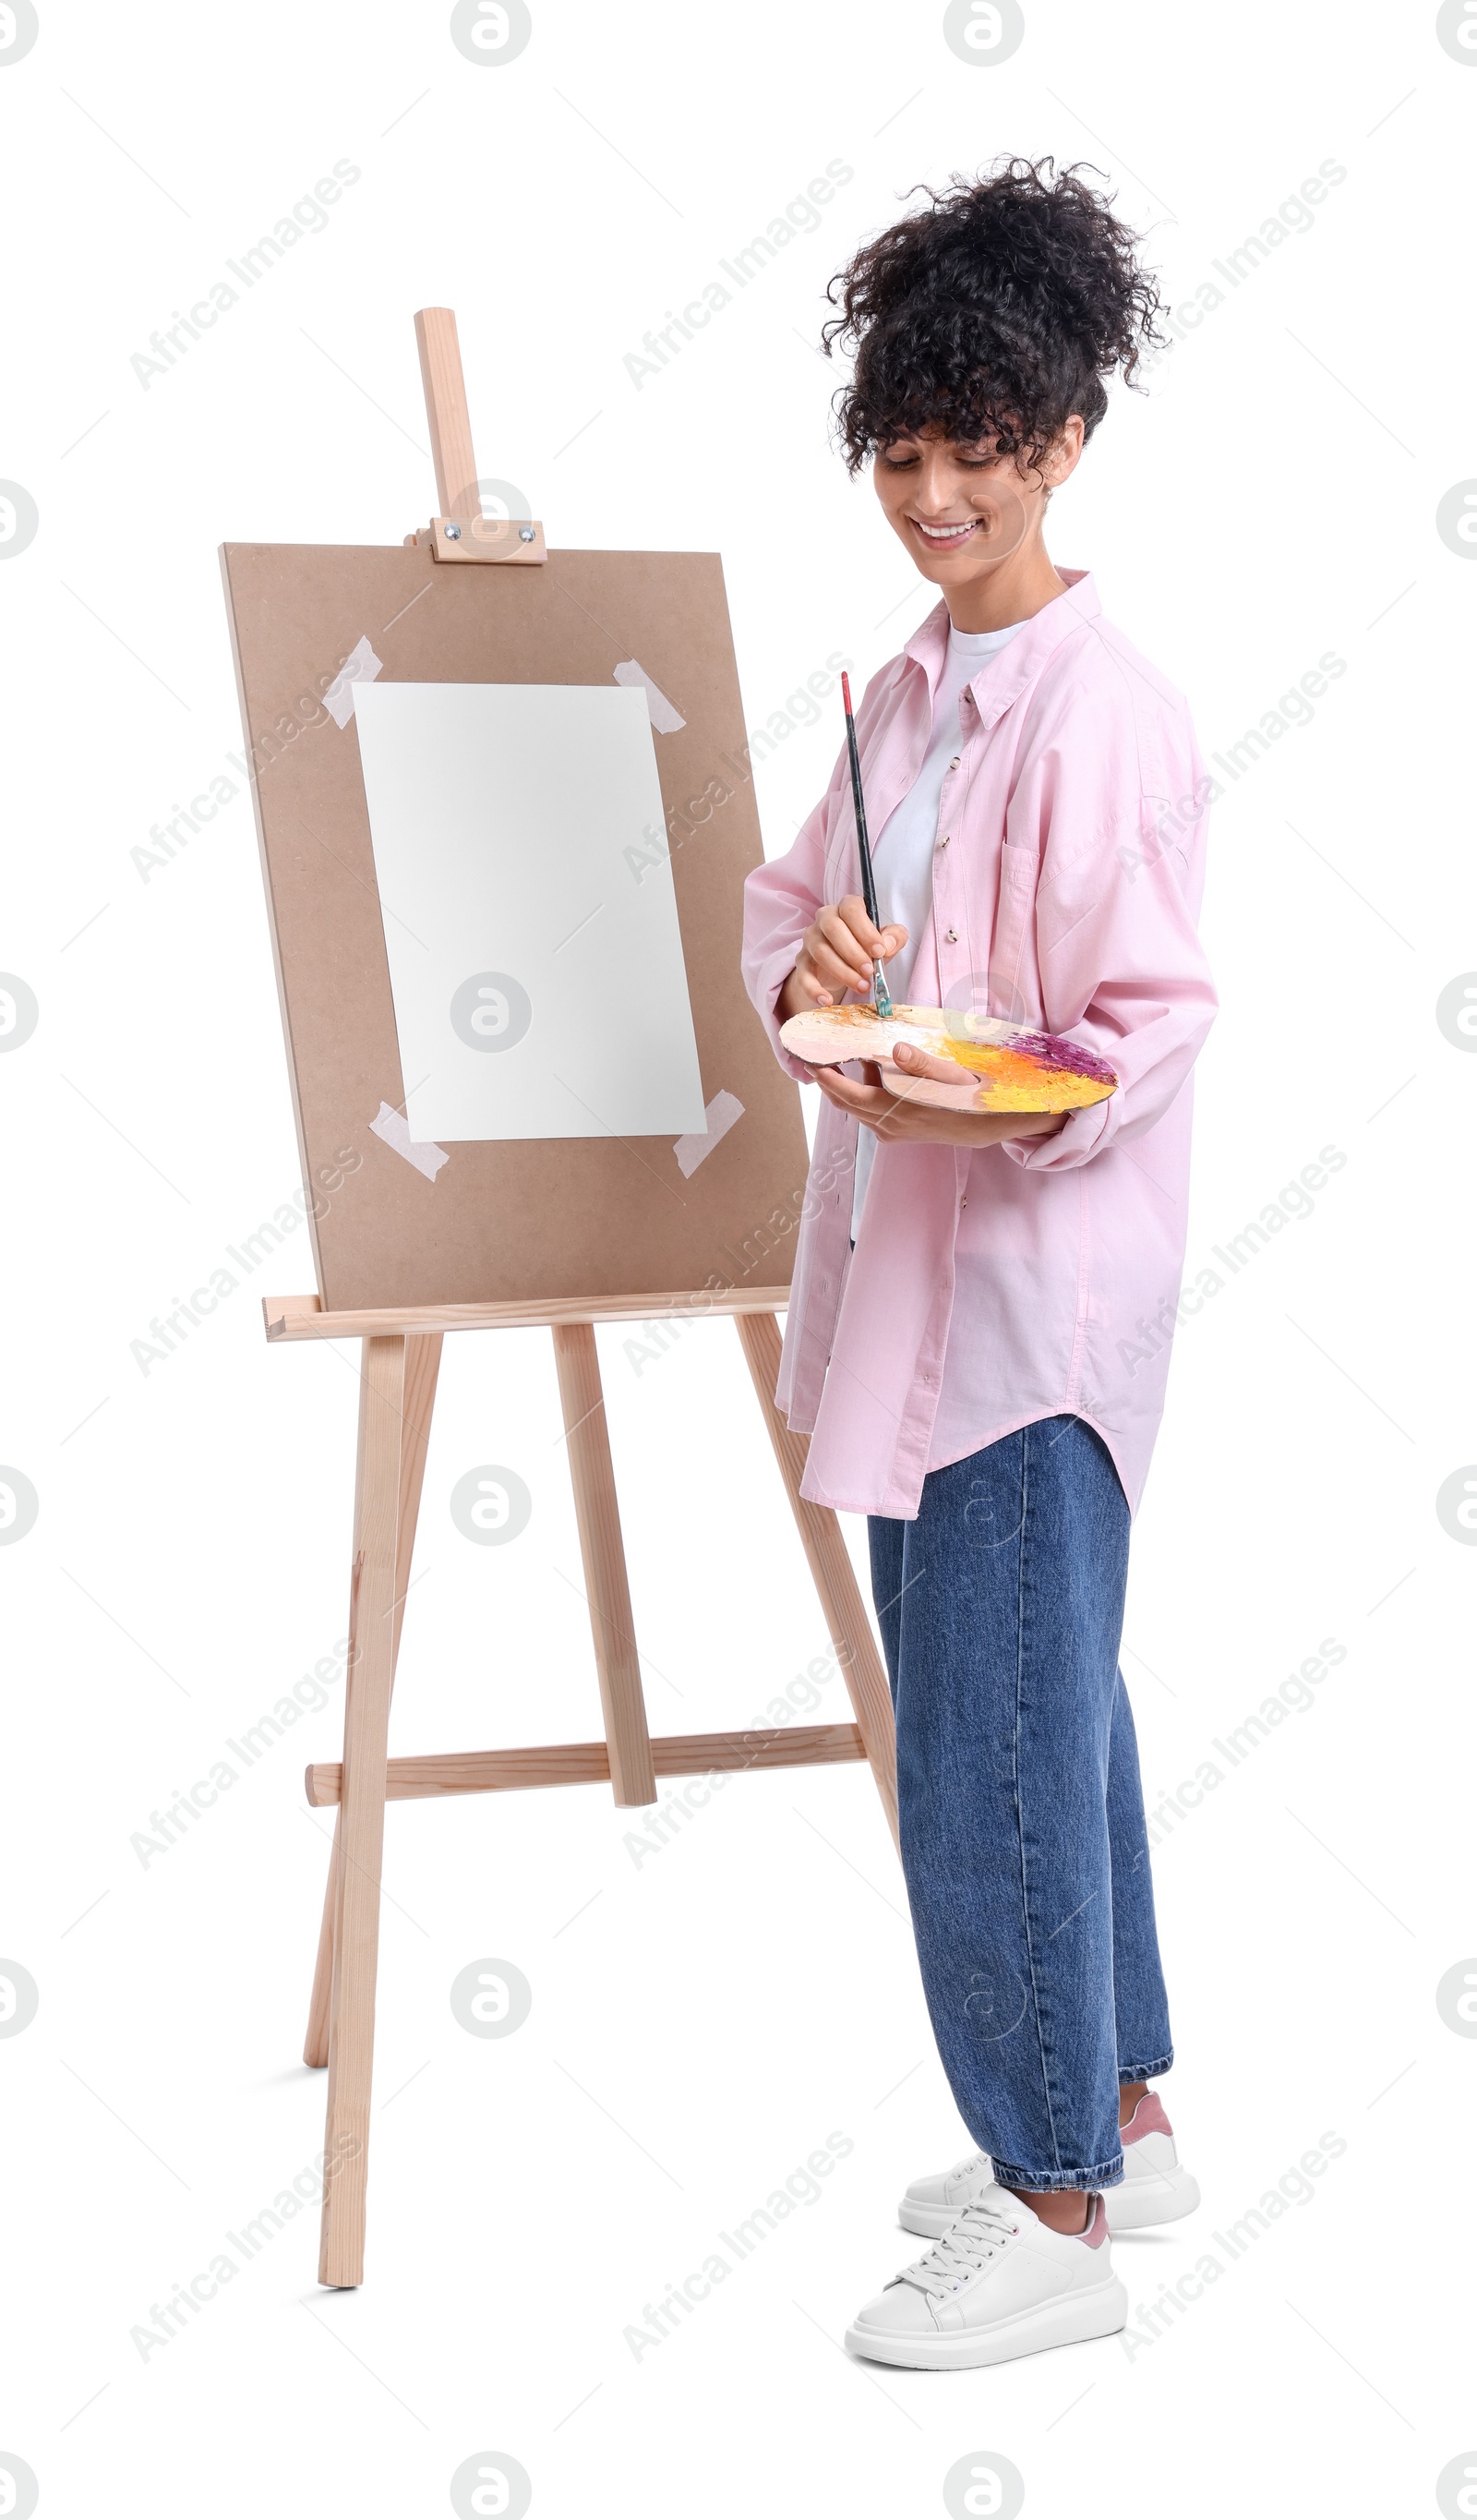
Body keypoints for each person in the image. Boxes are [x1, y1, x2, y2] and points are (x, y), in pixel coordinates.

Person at [741, 157, 1218, 2371]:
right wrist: (823, 966)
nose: (932, 492)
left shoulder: (1096, 705)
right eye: (900, 451)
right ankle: (1108, 2100)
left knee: (988, 1757)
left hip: (1026, 1312)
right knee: (1042, 1711)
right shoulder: (908, 695)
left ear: (1062, 443)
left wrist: (966, 1081)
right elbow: (788, 927)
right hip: (902, 1295)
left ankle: (1047, 2215)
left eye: (977, 450)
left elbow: (1140, 1030)